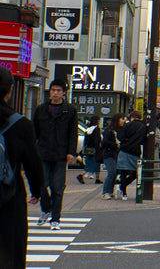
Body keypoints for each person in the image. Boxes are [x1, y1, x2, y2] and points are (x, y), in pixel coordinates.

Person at [0, 66, 44, 264]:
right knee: (11, 251)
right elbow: (33, 163)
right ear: (9, 91)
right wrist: (37, 190)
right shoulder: (20, 124)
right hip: (9, 196)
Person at [31, 78, 78, 230]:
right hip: (42, 152)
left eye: (58, 91)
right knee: (41, 184)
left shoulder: (69, 110)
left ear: (63, 93)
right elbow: (34, 132)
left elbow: (73, 133)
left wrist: (71, 152)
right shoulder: (41, 109)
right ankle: (46, 210)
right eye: (53, 90)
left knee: (57, 187)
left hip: (60, 154)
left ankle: (55, 219)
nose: (55, 93)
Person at [116, 111, 146, 201]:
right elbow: (143, 140)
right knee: (136, 173)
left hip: (124, 150)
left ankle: (123, 190)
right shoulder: (143, 126)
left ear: (131, 116)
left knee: (124, 172)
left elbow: (120, 137)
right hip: (135, 151)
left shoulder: (127, 125)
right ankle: (123, 186)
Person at [100, 114, 123, 200]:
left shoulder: (120, 130)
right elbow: (104, 143)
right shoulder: (109, 131)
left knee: (115, 172)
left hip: (115, 154)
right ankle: (105, 192)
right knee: (112, 172)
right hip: (108, 154)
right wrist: (115, 144)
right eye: (122, 119)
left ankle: (110, 191)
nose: (123, 121)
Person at [77, 116, 102, 185]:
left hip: (88, 149)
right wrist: (99, 148)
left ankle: (97, 178)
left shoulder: (88, 129)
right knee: (95, 163)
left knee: (89, 163)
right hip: (95, 149)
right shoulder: (96, 129)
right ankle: (82, 175)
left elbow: (86, 141)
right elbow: (97, 140)